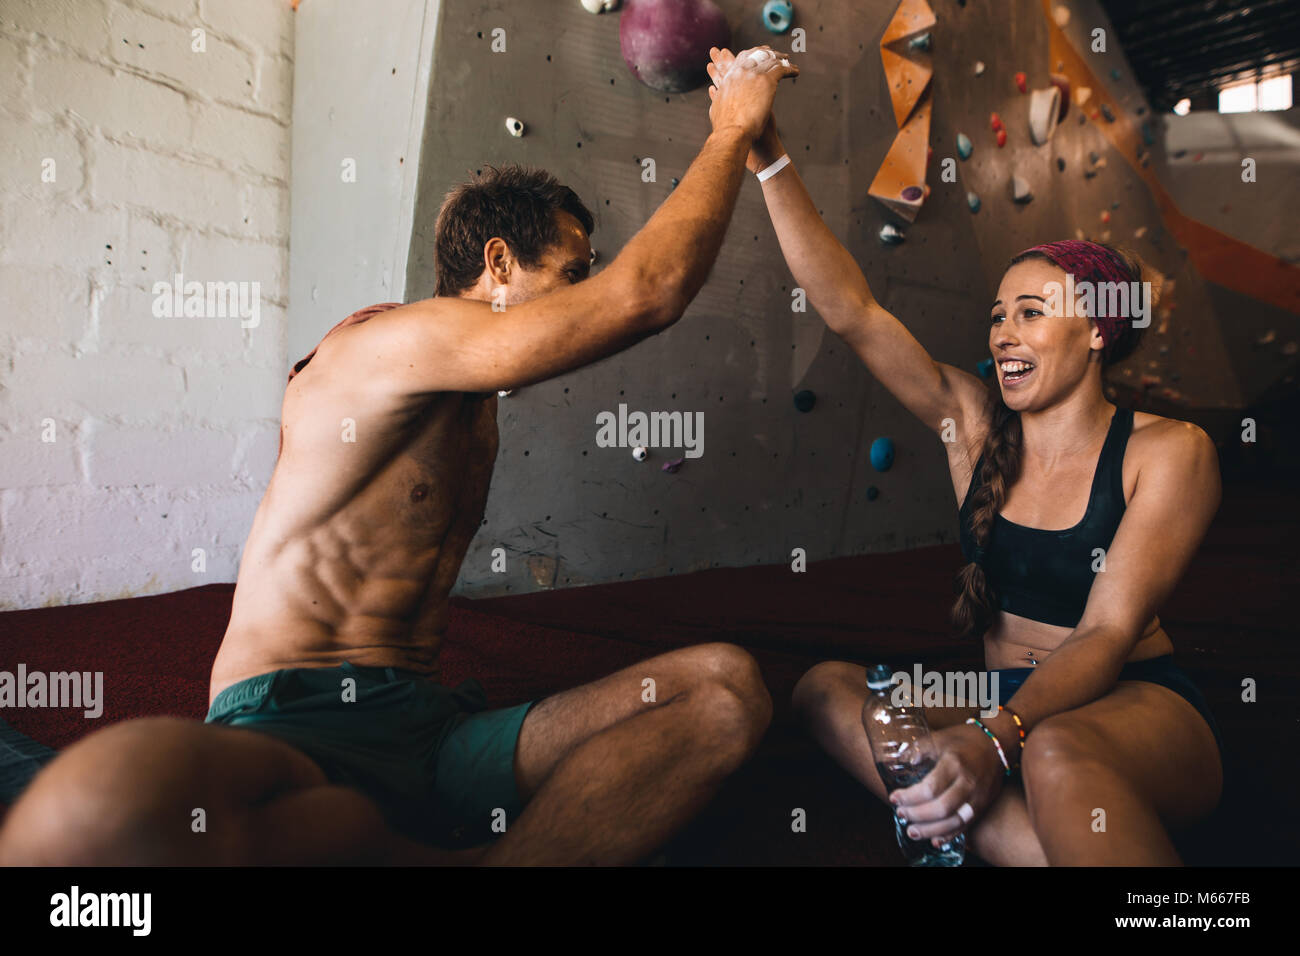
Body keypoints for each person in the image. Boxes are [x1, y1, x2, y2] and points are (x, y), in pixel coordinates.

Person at [0, 46, 799, 867]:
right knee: (104, 808)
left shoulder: (474, 401)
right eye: (570, 272)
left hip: (428, 729)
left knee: (726, 689)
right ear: (496, 263)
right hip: (293, 718)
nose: (583, 291)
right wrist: (735, 123)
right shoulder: (384, 344)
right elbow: (647, 293)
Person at [708, 47, 1225, 865]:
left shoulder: (1169, 451)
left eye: (1029, 313)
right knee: (828, 690)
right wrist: (765, 150)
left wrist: (996, 738)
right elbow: (853, 312)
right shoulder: (972, 424)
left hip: (1130, 704)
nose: (1002, 334)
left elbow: (1106, 634)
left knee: (1055, 755)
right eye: (996, 316)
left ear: (1097, 332)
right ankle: (1018, 834)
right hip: (996, 699)